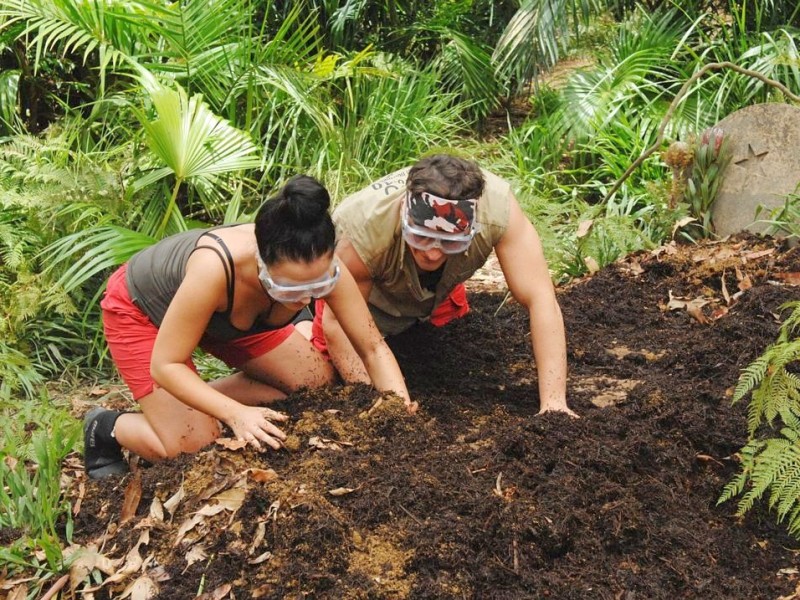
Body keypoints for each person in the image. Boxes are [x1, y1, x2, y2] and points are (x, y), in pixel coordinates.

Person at [84, 175, 411, 479]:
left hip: (229, 323)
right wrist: (235, 413)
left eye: (317, 288)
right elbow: (165, 364)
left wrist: (398, 410)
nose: (304, 300)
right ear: (262, 262)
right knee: (195, 446)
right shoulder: (214, 269)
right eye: (291, 290)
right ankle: (107, 426)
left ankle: (183, 408)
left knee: (314, 381)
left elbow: (372, 346)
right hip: (144, 313)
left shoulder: (320, 265)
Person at [311, 154, 575, 416]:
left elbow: (541, 297)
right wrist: (380, 404)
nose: (433, 253)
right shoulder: (363, 227)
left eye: (450, 242)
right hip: (367, 307)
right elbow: (338, 326)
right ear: (405, 215)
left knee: (451, 357)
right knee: (322, 378)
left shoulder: (496, 208)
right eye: (422, 238)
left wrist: (554, 404)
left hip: (437, 295)